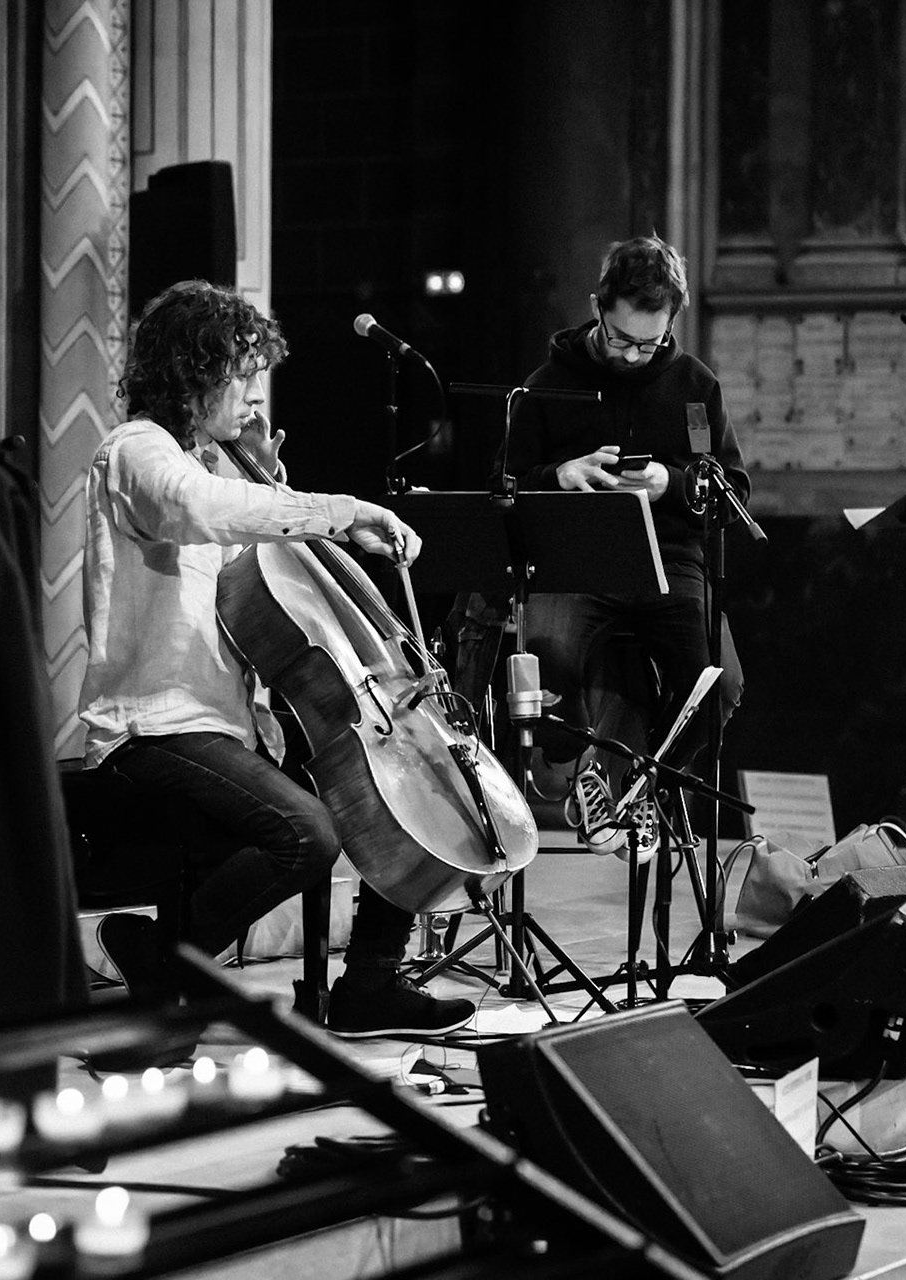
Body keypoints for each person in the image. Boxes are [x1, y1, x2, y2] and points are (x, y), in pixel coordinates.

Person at [78, 279, 477, 1044]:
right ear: (198, 374)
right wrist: (341, 510)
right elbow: (195, 509)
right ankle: (164, 961)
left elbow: (272, 581)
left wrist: (276, 485)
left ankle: (369, 983)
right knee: (307, 834)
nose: (251, 399)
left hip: (228, 727)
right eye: (241, 377)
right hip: (150, 728)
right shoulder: (136, 452)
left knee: (401, 797)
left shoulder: (216, 468)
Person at [501, 233, 748, 851]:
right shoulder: (546, 383)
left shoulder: (695, 384)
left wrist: (674, 482)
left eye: (651, 341)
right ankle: (582, 772)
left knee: (720, 685)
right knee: (547, 658)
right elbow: (500, 487)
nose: (637, 356)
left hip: (669, 563)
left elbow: (733, 489)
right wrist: (558, 476)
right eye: (622, 339)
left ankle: (638, 788)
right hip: (577, 566)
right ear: (597, 306)